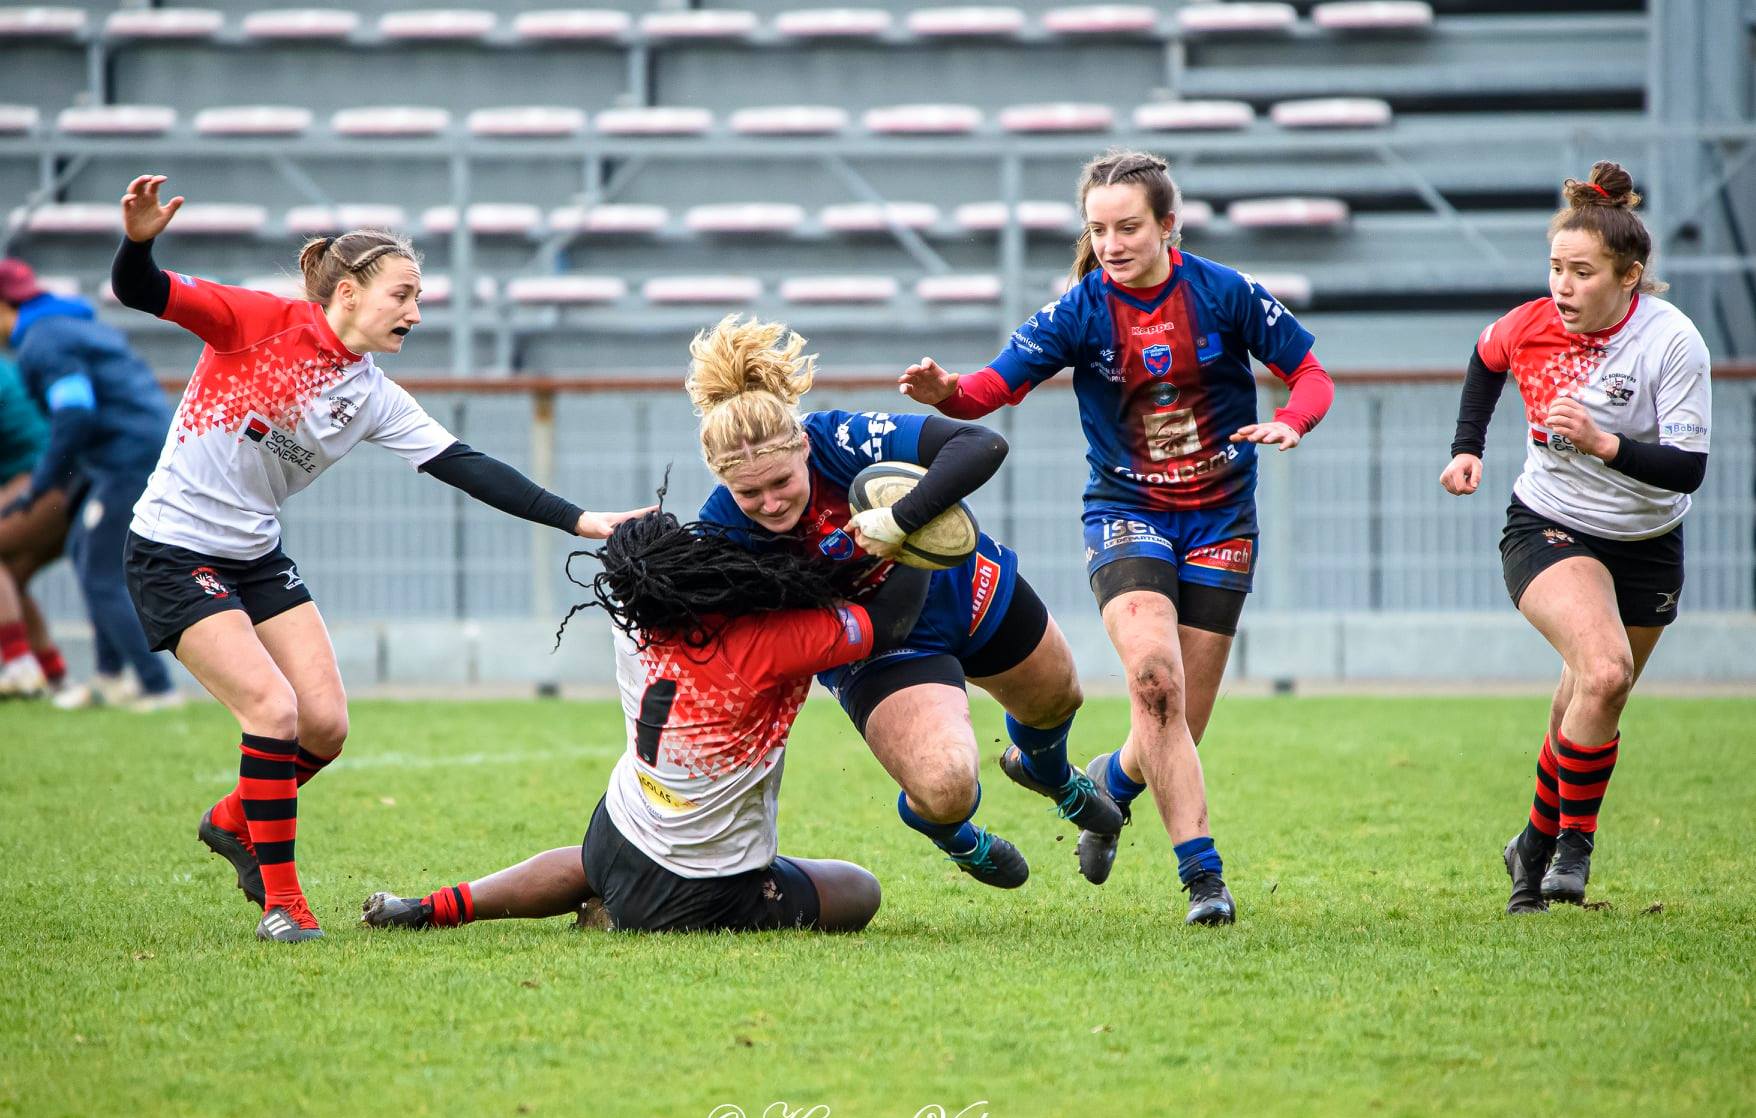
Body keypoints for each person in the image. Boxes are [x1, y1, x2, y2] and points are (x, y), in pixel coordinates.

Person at [109, 175, 651, 943]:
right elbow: (141, 289)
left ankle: (236, 819)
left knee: (324, 728)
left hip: (255, 557)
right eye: (403, 293)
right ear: (352, 291)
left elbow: (465, 463)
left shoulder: (370, 392)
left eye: (419, 297)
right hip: (171, 549)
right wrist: (138, 239)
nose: (416, 312)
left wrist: (581, 520)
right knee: (273, 712)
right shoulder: (255, 321)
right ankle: (284, 907)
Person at [897, 149, 1337, 925]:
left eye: (1128, 226)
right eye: (1097, 229)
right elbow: (990, 389)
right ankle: (1204, 880)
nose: (1111, 242)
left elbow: (1310, 372)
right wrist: (946, 395)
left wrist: (1292, 420)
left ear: (1167, 225)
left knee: (1175, 726)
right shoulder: (1079, 309)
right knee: (1155, 687)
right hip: (1125, 513)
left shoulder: (1222, 292)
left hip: (1221, 519)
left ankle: (1109, 780)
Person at [688, 316, 1122, 891]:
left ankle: (1054, 777)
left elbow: (980, 443)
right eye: (749, 492)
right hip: (879, 645)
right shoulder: (722, 533)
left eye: (781, 482)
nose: (770, 503)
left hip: (961, 587)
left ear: (801, 446)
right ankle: (952, 834)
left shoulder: (838, 440)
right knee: (947, 787)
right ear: (723, 482)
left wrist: (900, 520)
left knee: (1057, 699)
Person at [363, 507, 929, 934]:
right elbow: (891, 623)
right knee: (861, 891)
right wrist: (916, 520)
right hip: (701, 889)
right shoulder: (759, 645)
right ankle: (625, 913)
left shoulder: (630, 624)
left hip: (619, 828)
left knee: (595, 865)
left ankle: (430, 908)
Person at [1439, 161, 1711, 915]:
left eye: (1580, 272)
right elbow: (1484, 359)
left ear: (1628, 277)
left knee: (1590, 697)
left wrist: (1602, 443)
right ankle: (1571, 847)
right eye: (1555, 268)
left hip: (1648, 539)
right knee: (1602, 673)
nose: (1561, 286)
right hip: (1548, 524)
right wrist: (1468, 448)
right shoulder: (1531, 323)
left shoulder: (1673, 343)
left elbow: (1687, 469)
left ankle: (1529, 841)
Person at [0, 257, 178, 709]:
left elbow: (75, 410)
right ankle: (110, 677)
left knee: (102, 574)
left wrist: (43, 484)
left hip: (127, 458)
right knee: (85, 553)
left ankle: (157, 687)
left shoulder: (43, 341)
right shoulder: (69, 325)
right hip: (133, 452)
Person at [0, 353, 76, 698]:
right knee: (10, 577)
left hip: (41, 484)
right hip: (58, 483)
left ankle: (20, 666)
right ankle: (52, 673)